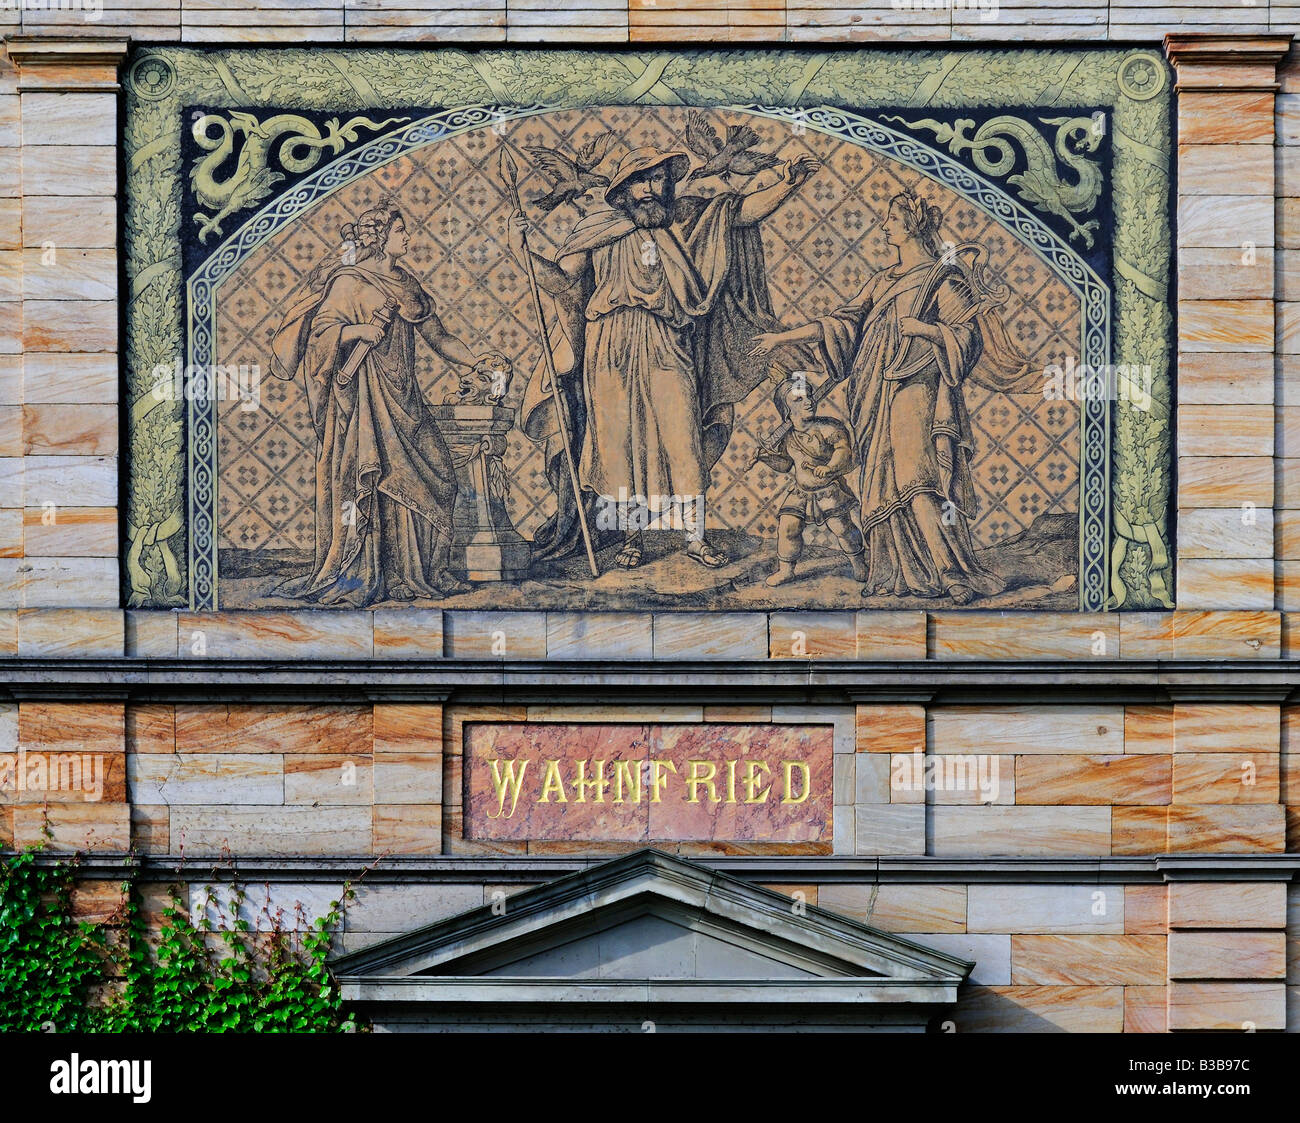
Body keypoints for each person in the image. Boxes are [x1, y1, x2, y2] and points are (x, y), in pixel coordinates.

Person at [511, 144, 821, 571]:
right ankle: (633, 537)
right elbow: (562, 281)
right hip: (611, 345)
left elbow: (739, 214)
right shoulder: (597, 228)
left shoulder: (681, 222)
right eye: (642, 179)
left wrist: (788, 182)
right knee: (622, 446)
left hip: (667, 339)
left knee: (682, 442)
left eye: (659, 179)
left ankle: (695, 539)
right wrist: (520, 251)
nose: (652, 188)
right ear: (623, 190)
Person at [751, 186, 1034, 604]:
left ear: (912, 227)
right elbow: (839, 324)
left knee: (918, 480)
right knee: (881, 483)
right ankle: (897, 571)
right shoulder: (882, 281)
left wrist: (924, 330)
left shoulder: (942, 279)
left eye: (892, 220)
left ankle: (951, 571)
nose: (884, 227)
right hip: (871, 390)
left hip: (915, 386)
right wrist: (781, 338)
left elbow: (966, 338)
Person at [270, 199, 510, 605]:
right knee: (371, 476)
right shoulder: (349, 283)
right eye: (402, 232)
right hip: (364, 401)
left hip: (405, 399)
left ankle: (423, 572)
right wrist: (359, 329)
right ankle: (371, 573)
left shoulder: (408, 285)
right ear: (381, 238)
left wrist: (478, 360)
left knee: (438, 472)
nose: (409, 238)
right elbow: (320, 338)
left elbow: (439, 338)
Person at [752, 371, 867, 587]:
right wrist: (765, 458)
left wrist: (829, 467)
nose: (809, 402)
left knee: (842, 528)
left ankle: (859, 562)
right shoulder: (787, 437)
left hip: (828, 490)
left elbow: (844, 451)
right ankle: (786, 570)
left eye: (808, 396)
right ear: (787, 410)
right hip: (800, 492)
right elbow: (786, 465)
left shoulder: (828, 427)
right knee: (788, 528)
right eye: (799, 399)